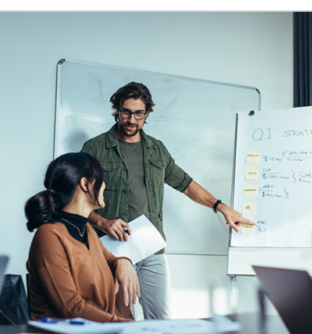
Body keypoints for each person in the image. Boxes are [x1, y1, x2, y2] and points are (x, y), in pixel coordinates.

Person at [81, 82, 256, 320]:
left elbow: (186, 185)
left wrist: (222, 208)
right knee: (119, 324)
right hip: (111, 249)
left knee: (161, 322)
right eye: (126, 112)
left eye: (139, 113)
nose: (131, 119)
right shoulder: (95, 148)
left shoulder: (156, 150)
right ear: (117, 110)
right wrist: (103, 222)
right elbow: (76, 200)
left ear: (147, 113)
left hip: (151, 248)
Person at [25, 152, 139, 323]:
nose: (104, 186)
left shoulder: (86, 229)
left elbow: (111, 260)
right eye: (101, 179)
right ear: (85, 184)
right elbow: (71, 308)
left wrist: (124, 262)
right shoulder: (49, 235)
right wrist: (124, 326)